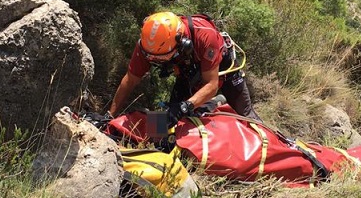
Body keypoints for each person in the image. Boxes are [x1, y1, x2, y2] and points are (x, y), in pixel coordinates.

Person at [108, 11, 261, 122]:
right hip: (187, 71)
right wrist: (109, 116)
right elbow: (130, 80)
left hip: (222, 70)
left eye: (163, 58)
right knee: (169, 117)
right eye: (153, 59)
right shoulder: (148, 45)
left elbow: (211, 84)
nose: (157, 61)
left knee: (246, 115)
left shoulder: (205, 36)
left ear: (182, 43)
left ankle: (273, 146)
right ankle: (211, 105)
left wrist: (185, 106)